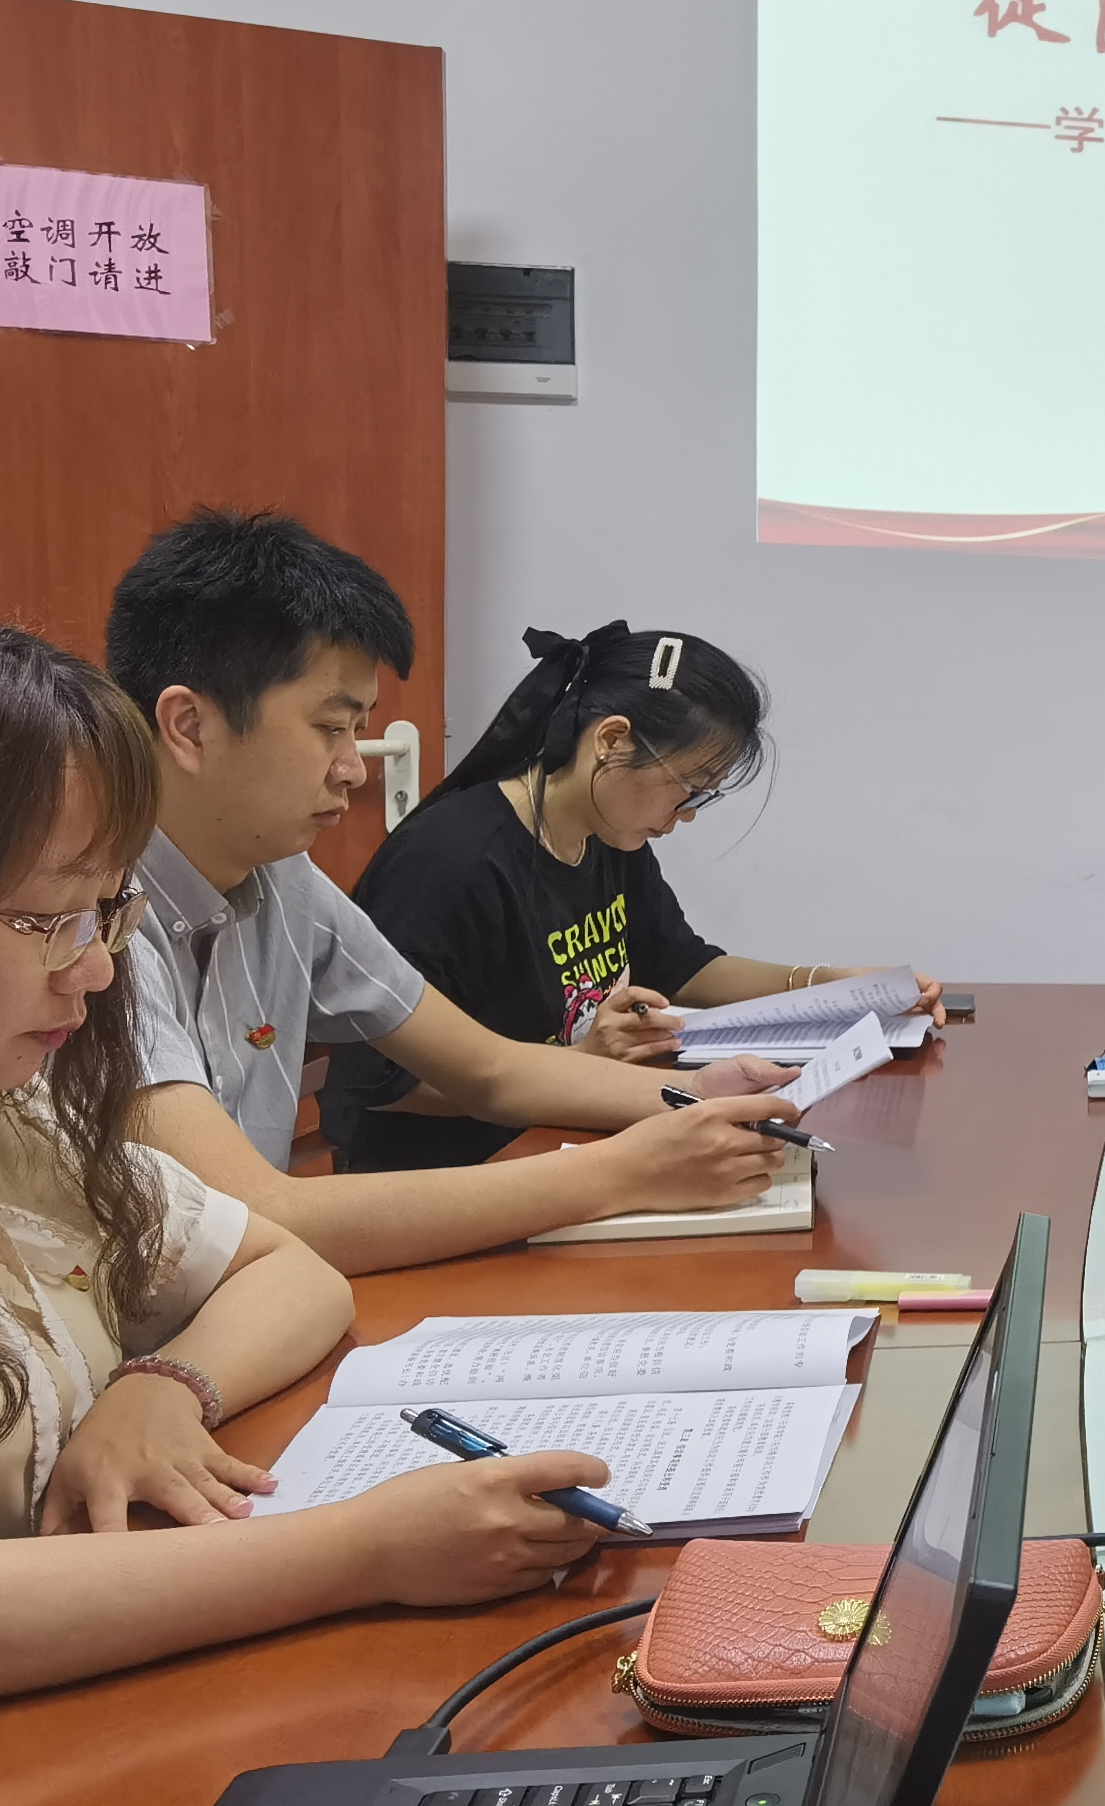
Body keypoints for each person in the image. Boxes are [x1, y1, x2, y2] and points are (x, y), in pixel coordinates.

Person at [0, 607, 614, 1806]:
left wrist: (161, 1384)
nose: (94, 971)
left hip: (20, 1749)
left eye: (106, 912)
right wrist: (358, 1550)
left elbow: (287, 1267)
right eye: (44, 920)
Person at [105, 509, 797, 1273]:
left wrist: (701, 1091)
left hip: (254, 1288)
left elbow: (490, 1068)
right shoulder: (91, 926)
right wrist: (621, 1173)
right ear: (189, 726)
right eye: (330, 728)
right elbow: (252, 1215)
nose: (353, 768)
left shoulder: (283, 879)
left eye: (358, 730)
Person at [321, 622, 945, 1172]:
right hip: (457, 1169)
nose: (688, 814)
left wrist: (830, 986)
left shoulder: (607, 839)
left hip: (569, 1135)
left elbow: (682, 965)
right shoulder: (451, 863)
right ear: (612, 740)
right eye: (690, 788)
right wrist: (582, 1061)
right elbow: (383, 1080)